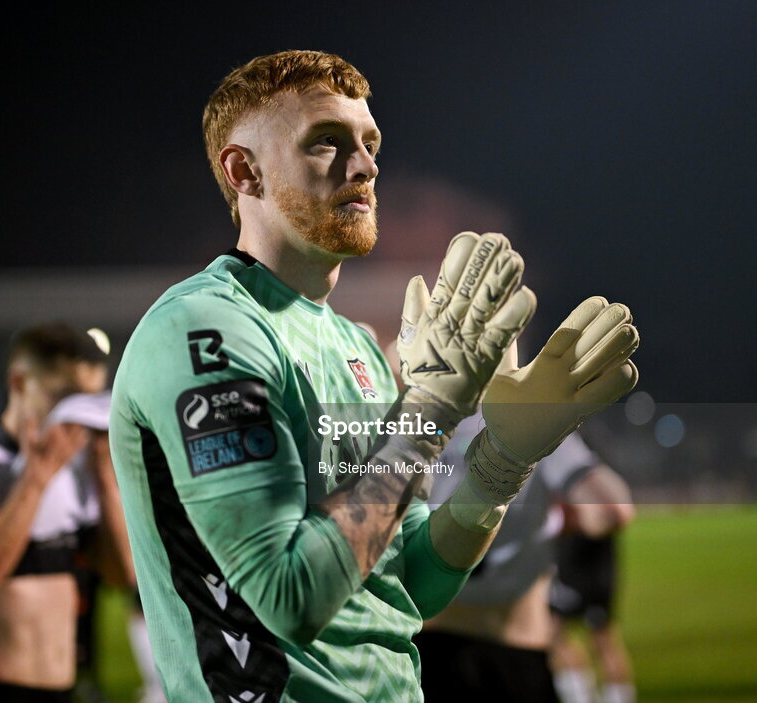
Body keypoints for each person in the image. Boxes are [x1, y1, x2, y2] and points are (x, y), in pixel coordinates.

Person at [109, 49, 640, 702]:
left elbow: (407, 580)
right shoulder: (203, 329)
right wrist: (430, 412)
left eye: (370, 143)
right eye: (327, 143)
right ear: (244, 170)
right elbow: (288, 596)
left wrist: (499, 464)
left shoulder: (354, 343)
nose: (364, 165)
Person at [0, 323, 135, 703]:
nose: (80, 413)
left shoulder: (79, 466)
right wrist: (36, 478)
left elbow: (121, 575)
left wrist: (105, 477)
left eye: (91, 398)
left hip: (65, 689)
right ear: (20, 383)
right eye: (66, 396)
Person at [414, 418, 633, 702]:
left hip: (428, 640)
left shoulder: (420, 417)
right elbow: (611, 510)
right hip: (516, 643)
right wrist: (549, 522)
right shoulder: (536, 421)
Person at [549, 530, 635, 703]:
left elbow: (616, 515)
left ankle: (582, 697)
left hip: (579, 568)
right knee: (601, 641)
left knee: (556, 635)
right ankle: (585, 696)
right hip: (594, 570)